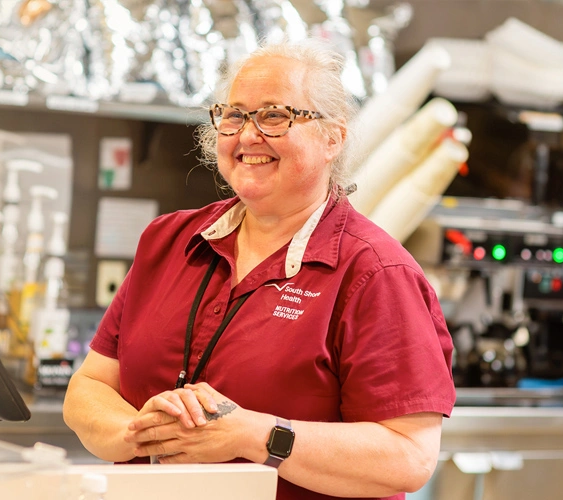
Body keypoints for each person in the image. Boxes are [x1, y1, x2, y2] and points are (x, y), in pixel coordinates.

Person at [63, 40, 456, 500]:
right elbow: (88, 387)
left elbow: (409, 457)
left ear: (333, 138)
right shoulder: (168, 242)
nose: (249, 135)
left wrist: (255, 435)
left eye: (274, 116)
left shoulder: (375, 273)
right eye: (234, 115)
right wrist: (140, 430)